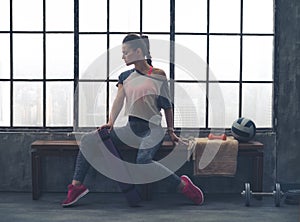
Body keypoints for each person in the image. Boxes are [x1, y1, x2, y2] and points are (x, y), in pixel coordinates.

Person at [62, 33, 204, 207]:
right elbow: (118, 100)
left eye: (126, 52)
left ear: (138, 51)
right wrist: (110, 122)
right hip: (130, 127)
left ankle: (183, 186)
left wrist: (171, 132)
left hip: (152, 129)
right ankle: (76, 187)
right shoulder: (125, 76)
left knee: (143, 161)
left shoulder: (158, 74)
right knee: (87, 139)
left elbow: (167, 105)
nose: (123, 56)